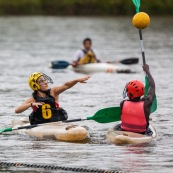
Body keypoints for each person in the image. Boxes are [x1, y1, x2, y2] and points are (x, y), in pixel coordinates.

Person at [15, 72, 90, 125]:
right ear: (35, 86)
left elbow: (66, 85)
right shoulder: (33, 99)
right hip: (41, 126)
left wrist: (76, 80)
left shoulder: (53, 92)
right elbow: (17, 110)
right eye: (41, 81)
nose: (45, 82)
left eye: (44, 80)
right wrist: (31, 104)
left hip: (57, 123)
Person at [115, 64, 155, 134]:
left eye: (127, 91)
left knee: (117, 126)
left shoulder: (123, 103)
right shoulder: (147, 103)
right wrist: (147, 71)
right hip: (142, 132)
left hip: (125, 130)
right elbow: (152, 86)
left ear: (130, 94)